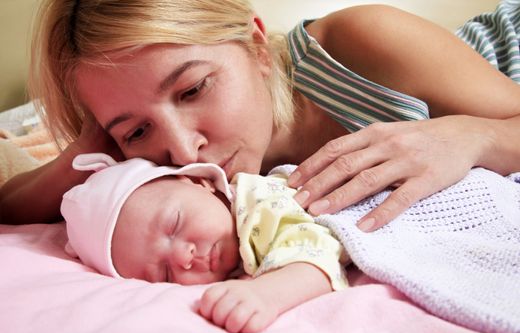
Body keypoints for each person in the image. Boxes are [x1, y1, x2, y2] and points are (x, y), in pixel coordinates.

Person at [2, 1, 520, 232]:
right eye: (138, 128)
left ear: (256, 48)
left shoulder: (360, 41)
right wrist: (104, 135)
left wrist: (466, 138)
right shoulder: (153, 161)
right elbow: (9, 207)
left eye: (192, 89)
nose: (182, 151)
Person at [61, 153, 349, 333]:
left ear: (198, 182)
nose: (183, 258)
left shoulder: (262, 203)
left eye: (174, 225)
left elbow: (318, 254)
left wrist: (266, 294)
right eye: (165, 274)